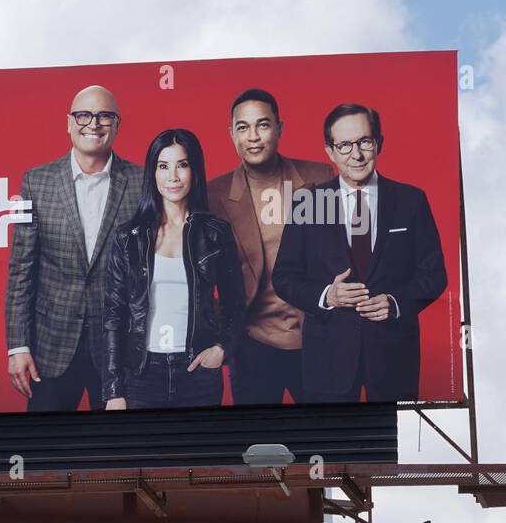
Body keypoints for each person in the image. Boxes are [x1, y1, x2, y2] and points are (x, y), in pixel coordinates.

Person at [273, 103, 447, 402]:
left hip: (393, 354)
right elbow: (284, 277)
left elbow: (434, 275)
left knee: (385, 447)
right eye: (344, 145)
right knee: (330, 448)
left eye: (364, 142)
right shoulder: (309, 202)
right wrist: (327, 295)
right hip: (328, 357)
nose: (356, 154)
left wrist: (395, 302)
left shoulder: (411, 200)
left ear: (378, 143)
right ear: (330, 152)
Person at [5, 85, 142, 411]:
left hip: (117, 349)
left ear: (117, 125)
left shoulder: (142, 182)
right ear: (69, 122)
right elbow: (21, 268)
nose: (93, 124)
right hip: (50, 347)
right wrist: (17, 346)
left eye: (104, 116)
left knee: (118, 455)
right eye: (84, 115)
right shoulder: (36, 182)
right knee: (44, 456)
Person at [102, 129, 245, 409]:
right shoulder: (128, 237)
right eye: (163, 166)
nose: (173, 177)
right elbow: (113, 316)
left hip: (197, 373)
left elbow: (236, 305)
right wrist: (113, 389)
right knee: (143, 454)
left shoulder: (216, 233)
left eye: (182, 165)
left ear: (195, 170)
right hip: (141, 374)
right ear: (153, 173)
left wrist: (221, 349)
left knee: (197, 454)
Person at [207, 89, 332, 405]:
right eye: (242, 127)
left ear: (279, 128)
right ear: (232, 133)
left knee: (330, 444)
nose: (253, 137)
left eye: (262, 125)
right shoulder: (214, 195)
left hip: (318, 337)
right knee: (258, 450)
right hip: (252, 344)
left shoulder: (320, 178)